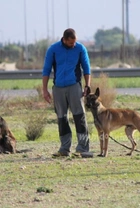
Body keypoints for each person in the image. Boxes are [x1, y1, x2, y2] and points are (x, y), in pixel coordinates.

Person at [42, 28, 91, 157]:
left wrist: (87, 86)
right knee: (62, 118)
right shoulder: (53, 49)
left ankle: (83, 148)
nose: (73, 45)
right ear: (64, 39)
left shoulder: (80, 49)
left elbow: (86, 68)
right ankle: (64, 149)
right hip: (58, 88)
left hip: (74, 86)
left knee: (79, 116)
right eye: (70, 43)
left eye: (74, 42)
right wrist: (44, 90)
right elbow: (46, 70)